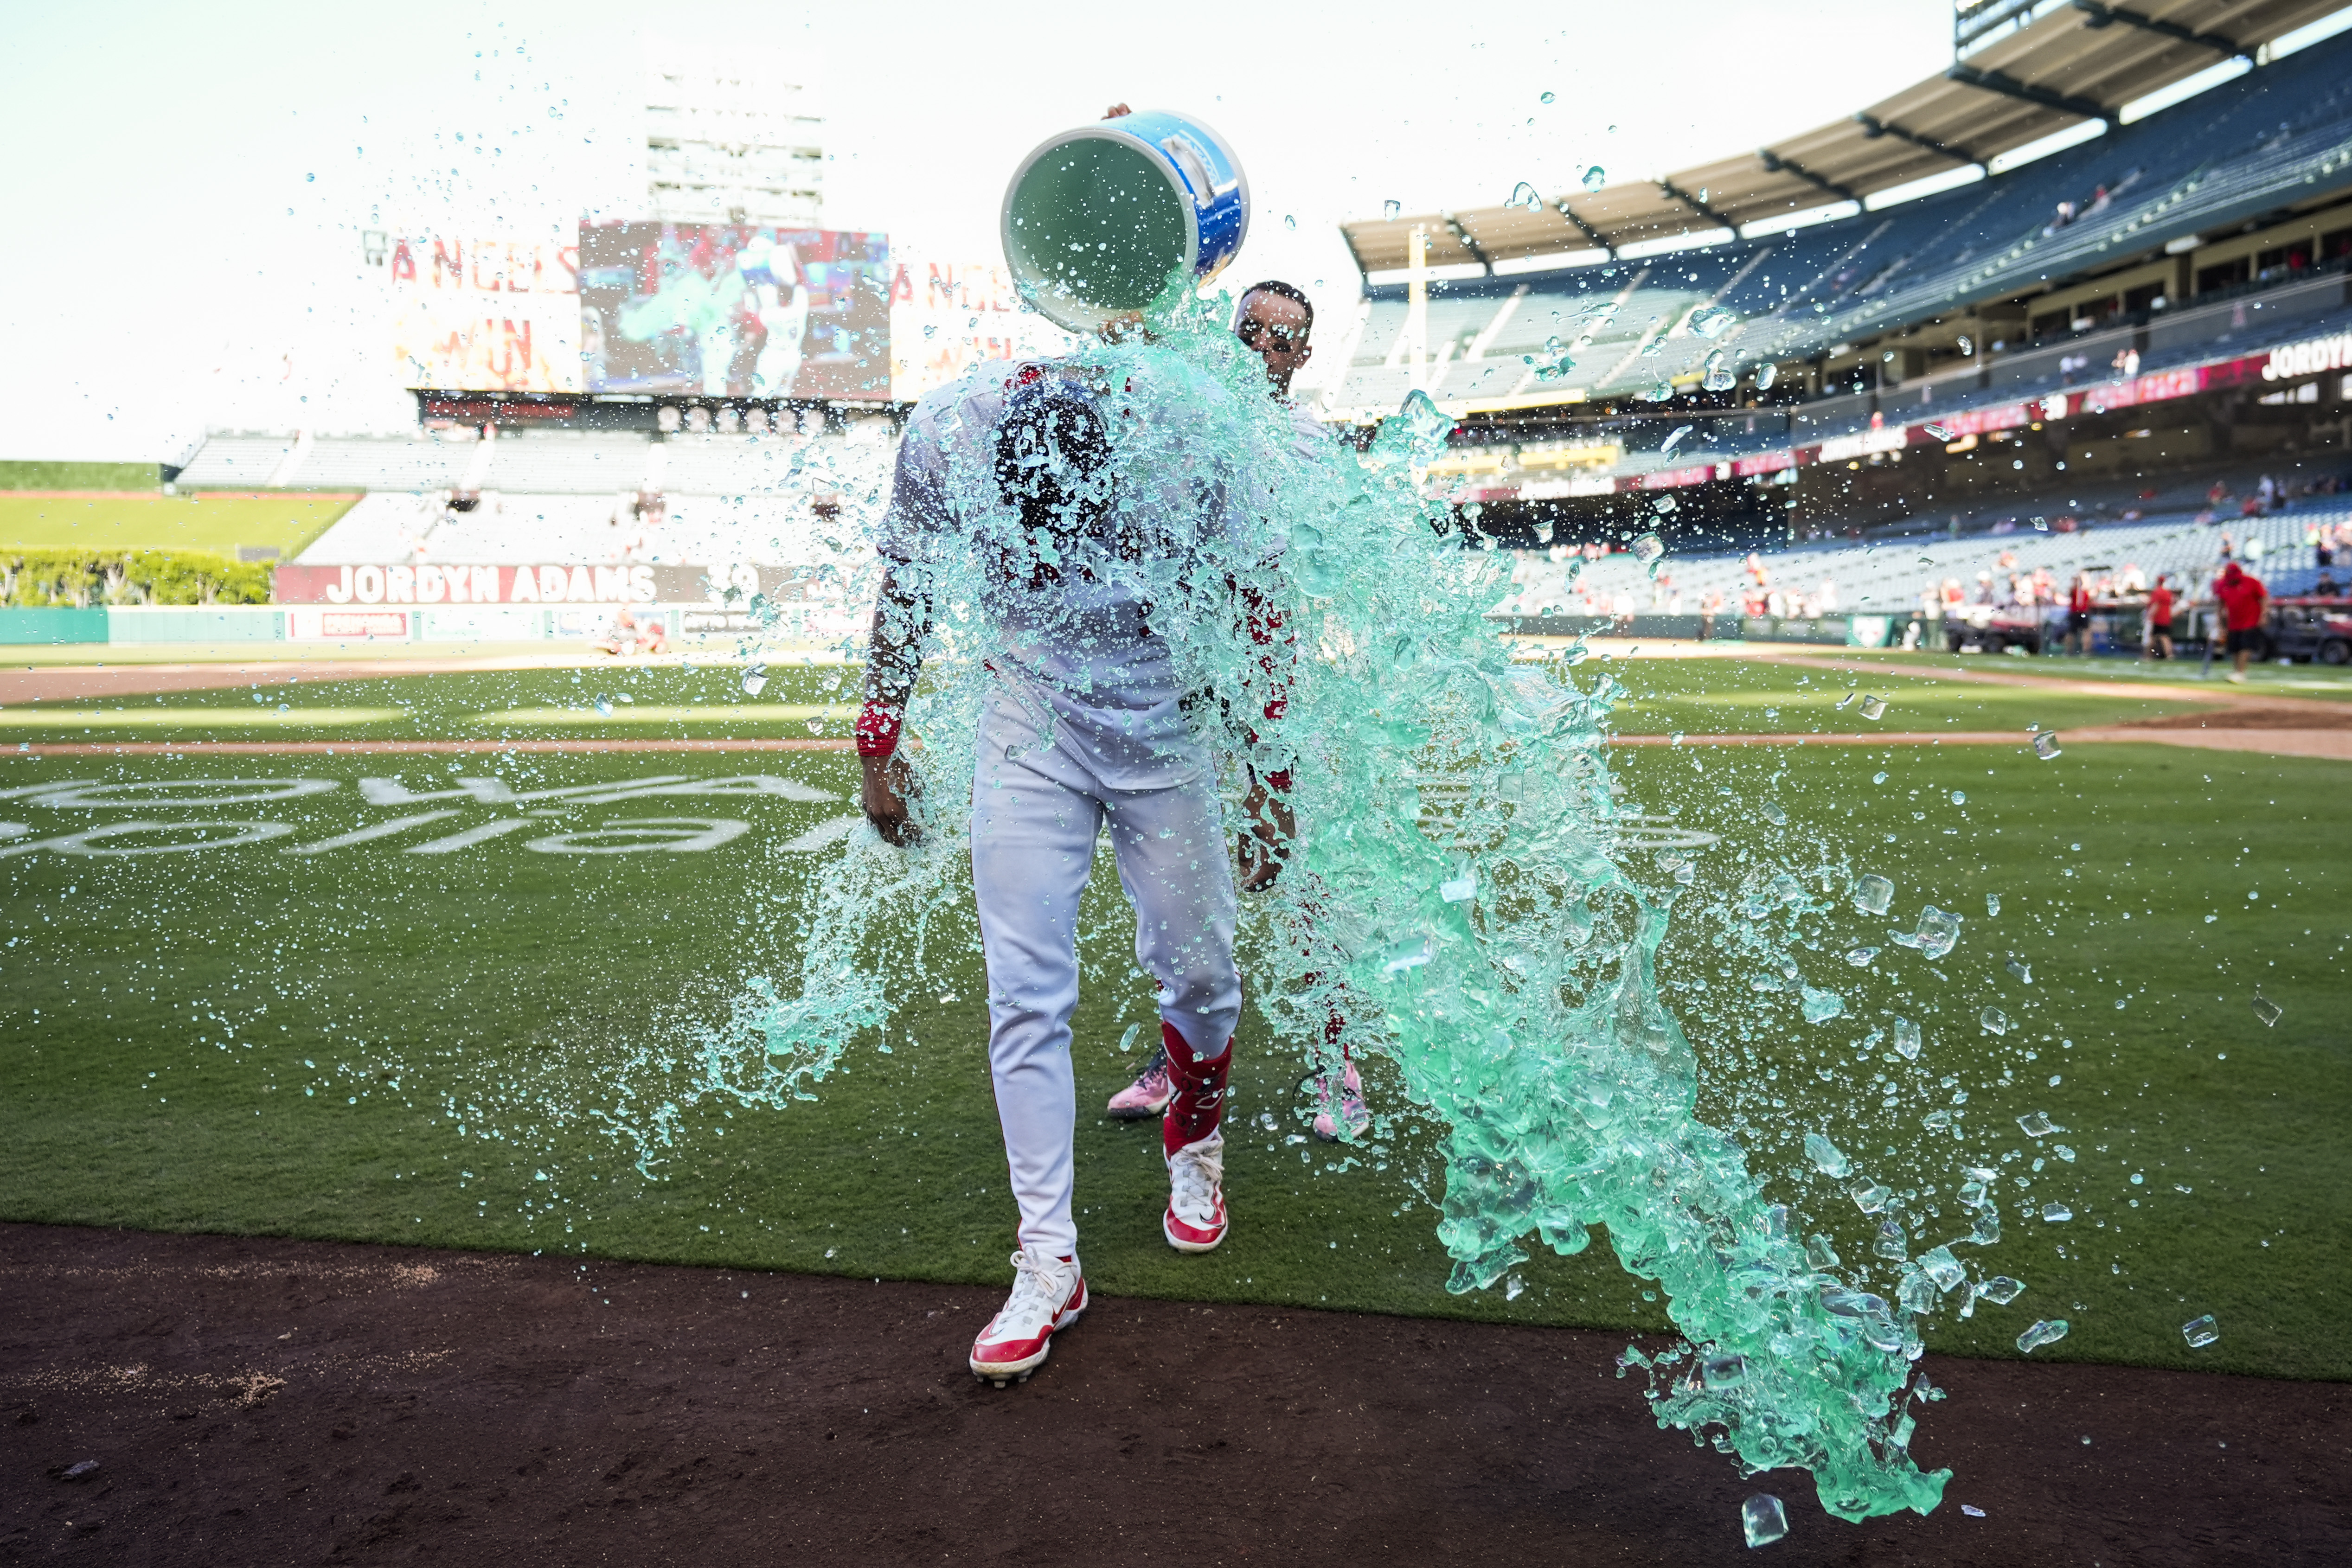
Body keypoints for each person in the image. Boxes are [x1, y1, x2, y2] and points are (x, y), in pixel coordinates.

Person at [857, 282, 1276, 1386]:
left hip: (1167, 722)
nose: (1050, 552)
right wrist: (877, 739)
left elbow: (1255, 602)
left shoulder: (1187, 441)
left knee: (1199, 972)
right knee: (1024, 987)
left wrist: (1267, 778)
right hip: (1031, 720)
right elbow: (906, 583)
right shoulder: (952, 429)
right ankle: (1047, 1260)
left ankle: (1197, 1143)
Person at [2214, 561, 2268, 682]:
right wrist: (2219, 621)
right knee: (2234, 647)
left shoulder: (2252, 582)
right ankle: (2237, 671)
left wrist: (2263, 615)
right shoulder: (2224, 585)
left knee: (2245, 645)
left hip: (2250, 620)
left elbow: (2263, 597)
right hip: (2233, 621)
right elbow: (2220, 604)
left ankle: (2241, 672)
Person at [2144, 574, 2175, 661]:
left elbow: (2156, 605)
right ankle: (2169, 655)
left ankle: (2149, 655)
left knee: (2153, 637)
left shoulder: (2157, 592)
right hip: (2166, 617)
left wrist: (2150, 615)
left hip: (2158, 618)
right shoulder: (2168, 592)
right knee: (2165, 637)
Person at [2066, 573, 2093, 657]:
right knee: (2073, 633)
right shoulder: (2076, 591)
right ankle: (2070, 651)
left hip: (2081, 612)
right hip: (2077, 612)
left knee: (2085, 632)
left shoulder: (2083, 591)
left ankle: (2085, 651)